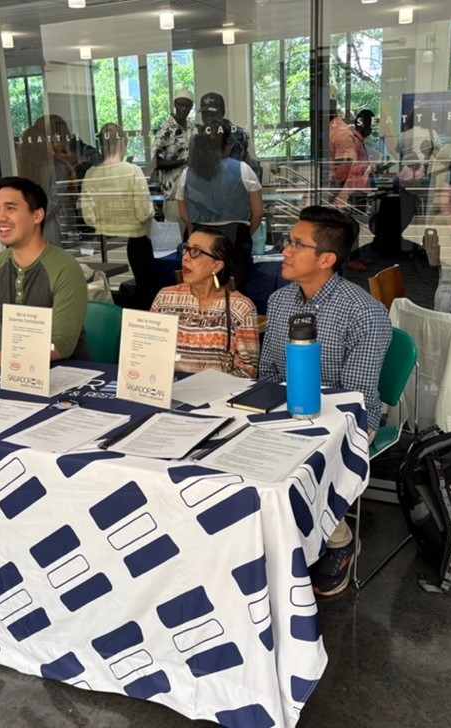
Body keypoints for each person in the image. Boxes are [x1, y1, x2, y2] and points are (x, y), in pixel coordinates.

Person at [259, 205, 391, 597]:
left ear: (326, 259)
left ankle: (339, 537)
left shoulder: (365, 313)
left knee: (302, 459)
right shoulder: (282, 301)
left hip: (347, 418)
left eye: (297, 244)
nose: (285, 250)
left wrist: (300, 423)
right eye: (289, 242)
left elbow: (357, 397)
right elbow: (267, 371)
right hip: (284, 408)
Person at [0, 176, 89, 372]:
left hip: (65, 373)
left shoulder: (65, 268)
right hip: (14, 372)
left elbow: (60, 346)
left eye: (11, 208)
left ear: (37, 216)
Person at [151, 227, 259, 378]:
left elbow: (248, 372)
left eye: (196, 251)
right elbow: (149, 353)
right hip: (168, 391)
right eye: (186, 249)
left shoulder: (241, 308)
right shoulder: (165, 298)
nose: (186, 257)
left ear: (217, 266)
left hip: (217, 397)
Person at [177, 122, 263, 292]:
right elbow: (258, 212)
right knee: (234, 289)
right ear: (227, 144)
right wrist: (245, 232)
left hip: (199, 239)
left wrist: (197, 230)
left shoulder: (187, 173)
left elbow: (184, 214)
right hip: (235, 238)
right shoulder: (243, 170)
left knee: (201, 287)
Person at [80, 123, 157, 308]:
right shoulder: (133, 171)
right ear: (123, 142)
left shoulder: (91, 174)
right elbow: (144, 212)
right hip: (135, 242)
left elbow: (88, 217)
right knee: (143, 294)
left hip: (103, 244)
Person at [16, 115, 78, 245]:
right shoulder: (55, 168)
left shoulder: (25, 168)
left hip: (37, 229)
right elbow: (52, 202)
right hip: (55, 229)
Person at [153, 88, 195, 232]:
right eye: (180, 105)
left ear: (191, 107)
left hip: (192, 193)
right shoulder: (164, 130)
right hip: (172, 194)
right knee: (175, 237)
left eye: (187, 105)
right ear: (175, 105)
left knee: (193, 237)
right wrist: (183, 162)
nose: (183, 109)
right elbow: (156, 163)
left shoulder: (193, 128)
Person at [198, 92, 262, 180]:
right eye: (205, 115)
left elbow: (254, 170)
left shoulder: (241, 136)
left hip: (235, 188)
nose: (209, 119)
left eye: (213, 115)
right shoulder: (197, 136)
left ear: (223, 113)